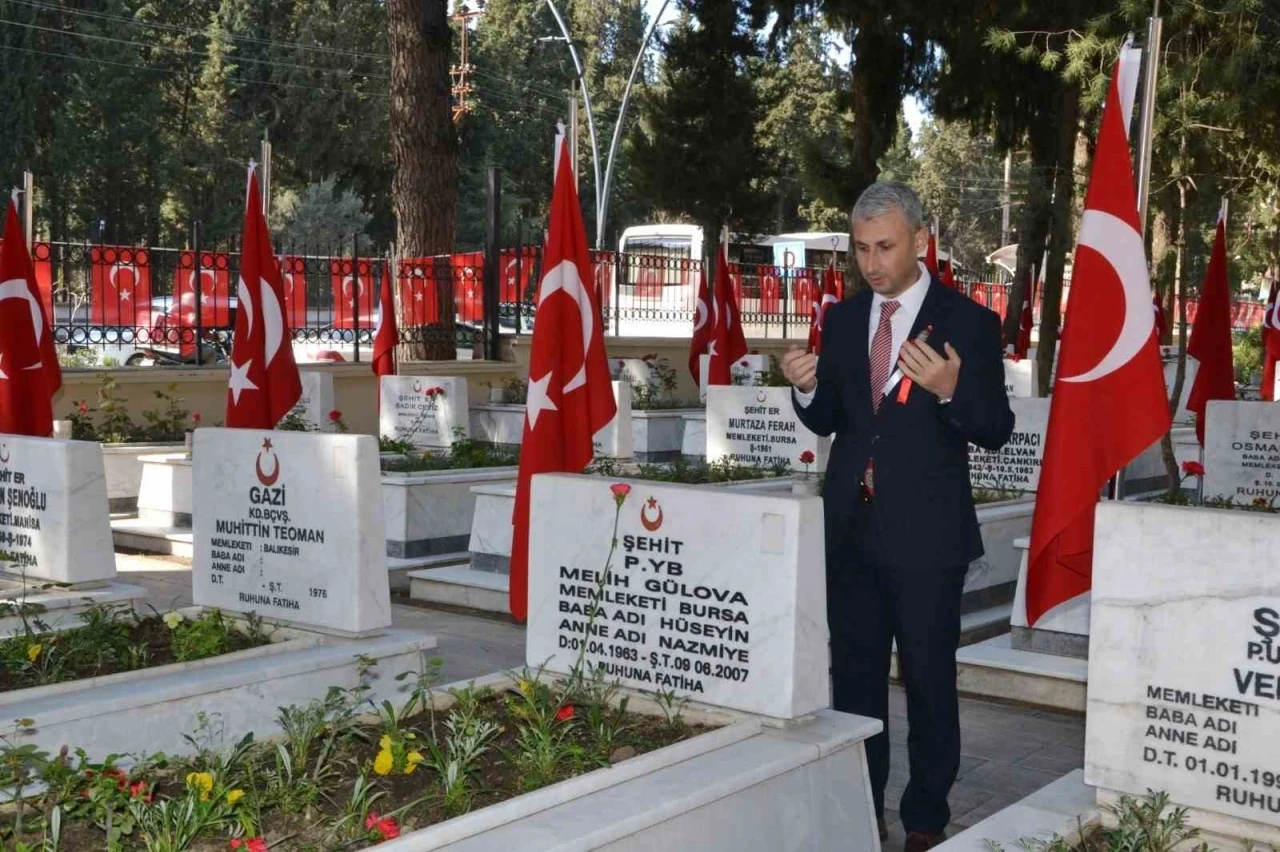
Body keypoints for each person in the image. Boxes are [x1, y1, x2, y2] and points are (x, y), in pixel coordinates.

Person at [783, 181, 1014, 852]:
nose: (872, 263)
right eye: (861, 249)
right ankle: (864, 804)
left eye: (885, 247)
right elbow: (834, 418)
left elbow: (995, 428)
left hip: (928, 539)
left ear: (920, 240)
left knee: (928, 681)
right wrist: (806, 387)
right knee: (855, 682)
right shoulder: (845, 320)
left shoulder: (969, 322)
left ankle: (924, 819)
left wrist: (950, 390)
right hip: (851, 532)